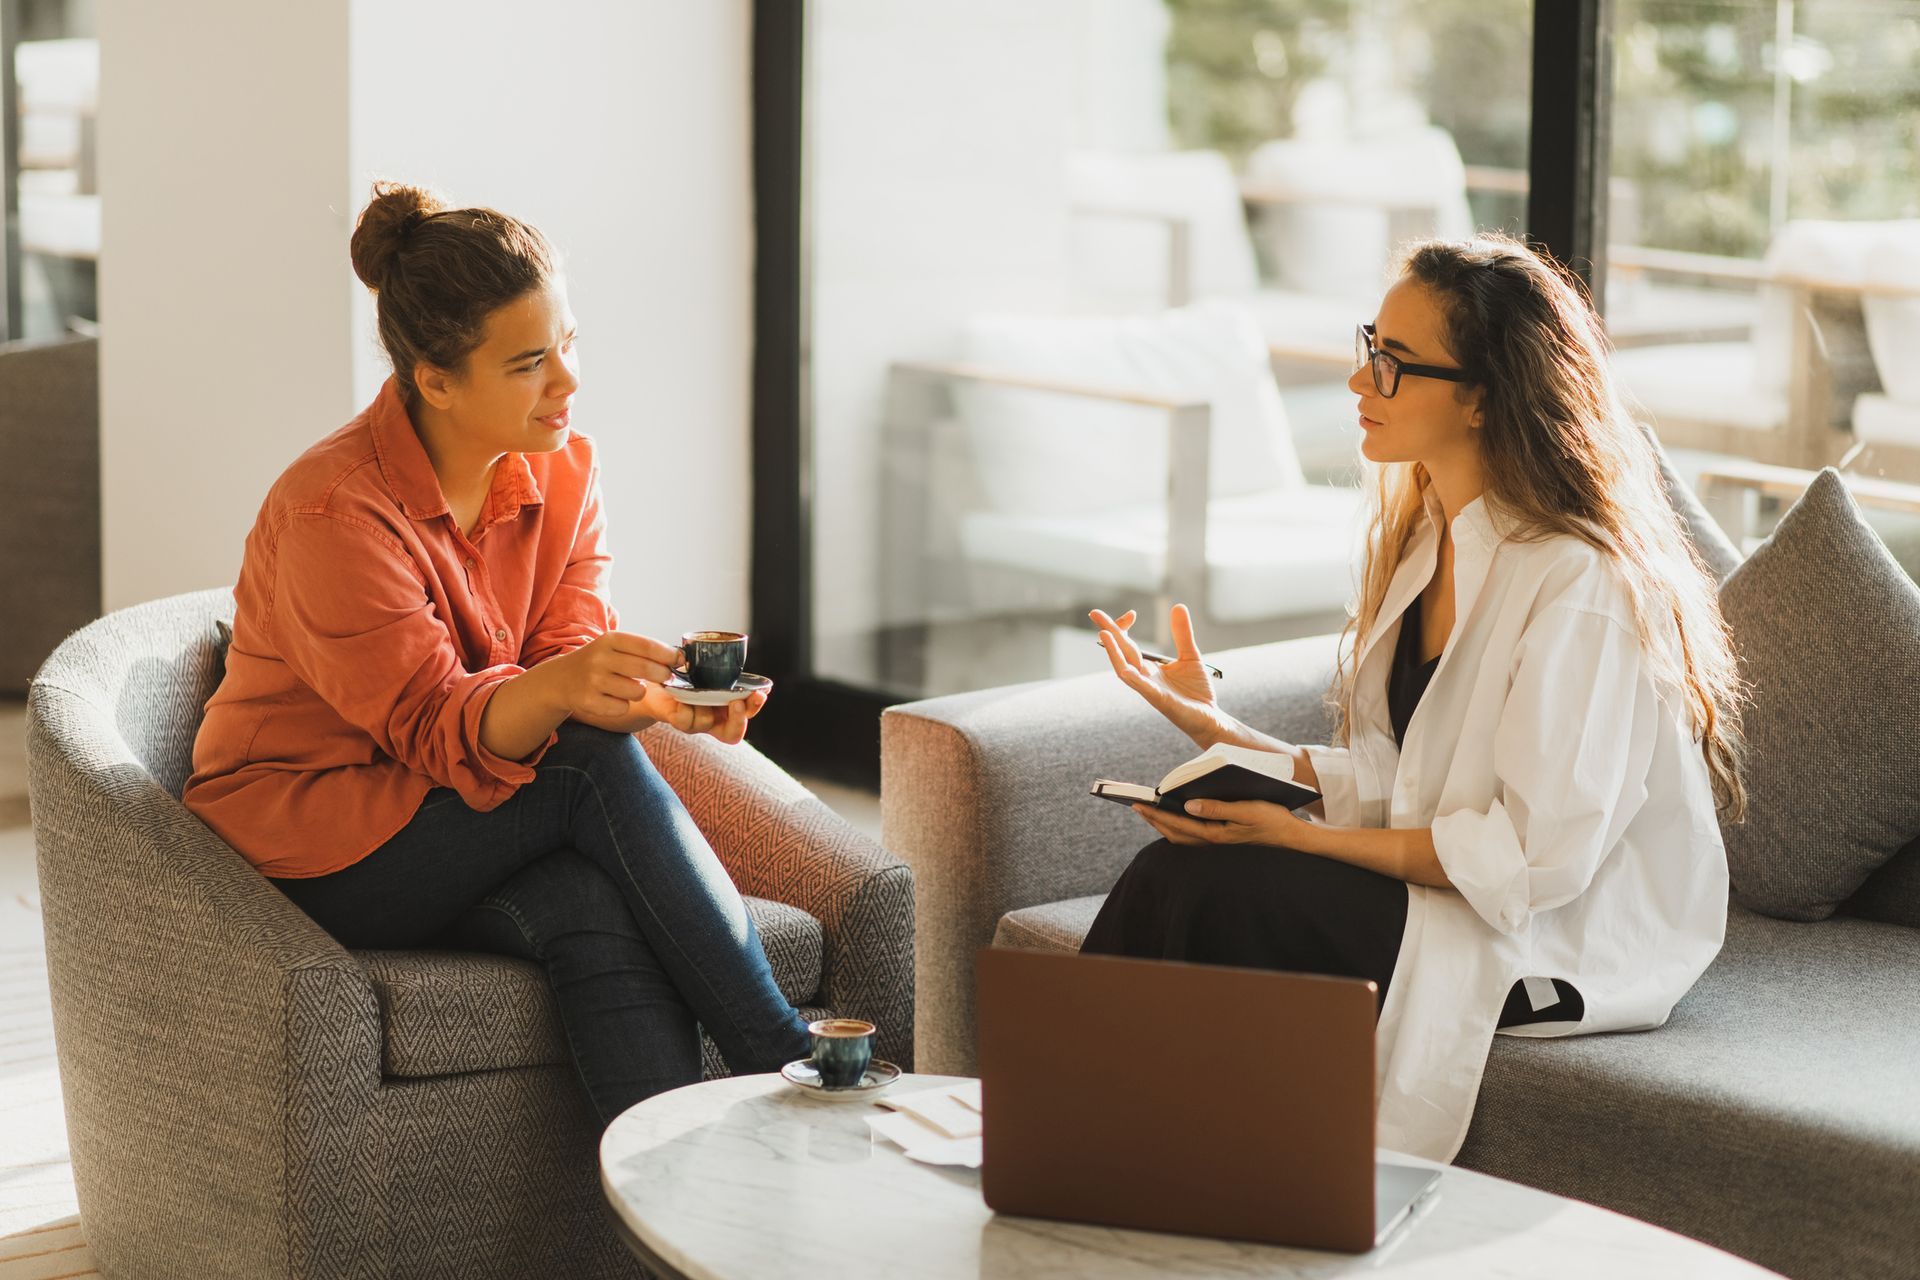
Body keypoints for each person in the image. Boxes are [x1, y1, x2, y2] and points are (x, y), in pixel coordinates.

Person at [1082, 233, 1745, 1162]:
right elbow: (1412, 777)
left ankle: (1091, 1149)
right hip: (1462, 883)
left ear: (1480, 396)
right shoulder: (1432, 542)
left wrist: (1303, 837)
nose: (1361, 384)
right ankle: (1109, 1159)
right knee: (1188, 874)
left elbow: (1529, 855)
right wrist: (1221, 730)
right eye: (1370, 350)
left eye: (1393, 366)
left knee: (1217, 889)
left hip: (1552, 933)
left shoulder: (1580, 583)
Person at [183, 182, 812, 1125]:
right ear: (434, 379)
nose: (567, 381)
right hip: (313, 841)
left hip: (458, 816)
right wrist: (574, 698)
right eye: (529, 363)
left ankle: (676, 1229)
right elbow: (441, 728)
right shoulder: (334, 511)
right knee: (588, 770)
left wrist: (648, 697)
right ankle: (798, 1064)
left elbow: (563, 652)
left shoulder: (563, 470)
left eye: (568, 344)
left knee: (588, 904)